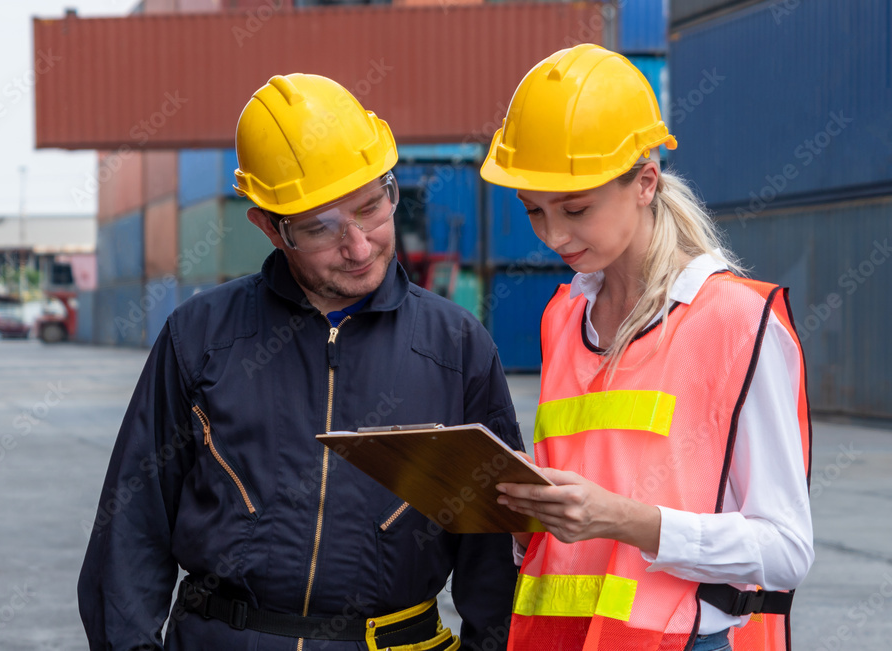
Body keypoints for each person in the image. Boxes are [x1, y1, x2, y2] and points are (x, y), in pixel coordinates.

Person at [78, 72, 524, 651]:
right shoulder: (201, 338)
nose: (360, 246)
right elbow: (132, 528)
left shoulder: (456, 347)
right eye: (321, 228)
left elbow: (494, 554)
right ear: (268, 225)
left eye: (372, 207)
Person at [483, 45, 813, 650]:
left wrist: (626, 520)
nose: (553, 236)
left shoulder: (738, 322)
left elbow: (786, 551)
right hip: (562, 638)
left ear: (645, 181)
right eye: (533, 211)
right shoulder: (564, 316)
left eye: (576, 209)